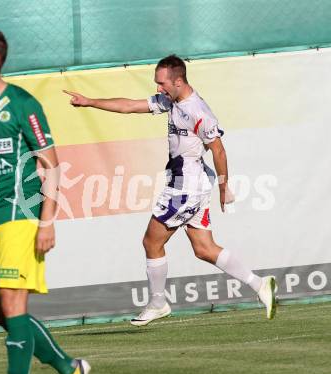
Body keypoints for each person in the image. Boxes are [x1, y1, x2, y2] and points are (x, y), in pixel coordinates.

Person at [64, 54, 277, 326]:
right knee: (204, 248)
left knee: (152, 242)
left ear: (178, 81)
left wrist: (225, 187)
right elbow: (130, 106)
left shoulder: (198, 111)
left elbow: (219, 150)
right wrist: (90, 101)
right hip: (190, 182)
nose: (157, 89)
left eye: (162, 83)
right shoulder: (171, 101)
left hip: (186, 188)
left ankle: (158, 303)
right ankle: (260, 285)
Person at [0, 28, 90, 374]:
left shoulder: (24, 105)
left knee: (13, 304)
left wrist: (46, 221)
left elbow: (51, 166)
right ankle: (68, 368)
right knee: (0, 314)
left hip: (20, 216)